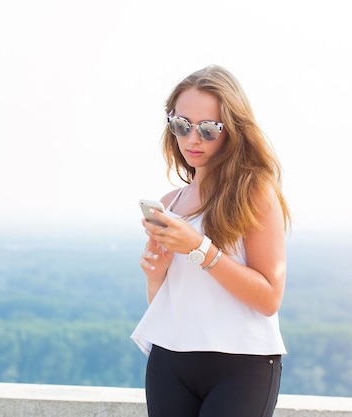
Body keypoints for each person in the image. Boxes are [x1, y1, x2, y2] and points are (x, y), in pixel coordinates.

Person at [131, 65, 291, 417]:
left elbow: (269, 298)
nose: (192, 139)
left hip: (242, 366)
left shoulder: (254, 193)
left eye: (208, 129)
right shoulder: (171, 201)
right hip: (169, 362)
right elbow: (172, 303)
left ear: (232, 130)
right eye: (181, 125)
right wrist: (156, 276)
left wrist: (199, 248)